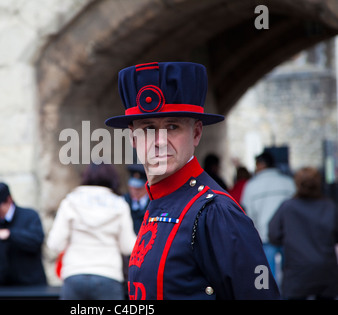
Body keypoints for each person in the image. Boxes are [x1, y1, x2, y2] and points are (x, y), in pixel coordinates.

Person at [105, 61, 279, 300]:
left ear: (196, 133)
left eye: (173, 126)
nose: (160, 141)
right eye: (147, 128)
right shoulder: (159, 199)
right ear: (133, 138)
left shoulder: (216, 212)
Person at [47, 163, 136, 300]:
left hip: (74, 274)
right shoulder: (120, 205)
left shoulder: (70, 201)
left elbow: (55, 244)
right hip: (108, 275)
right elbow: (128, 247)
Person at [268, 167, 338, 300]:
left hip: (297, 271)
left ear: (297, 183)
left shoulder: (288, 207)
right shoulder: (330, 206)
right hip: (326, 270)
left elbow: (273, 235)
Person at [241, 151, 295, 283]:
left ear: (261, 165)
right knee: (291, 276)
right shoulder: (288, 183)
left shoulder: (251, 186)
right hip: (288, 237)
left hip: (264, 238)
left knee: (266, 279)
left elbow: (246, 213)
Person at [123, 164, 149, 235]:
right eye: (133, 187)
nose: (135, 191)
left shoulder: (152, 203)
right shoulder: (123, 201)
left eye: (139, 188)